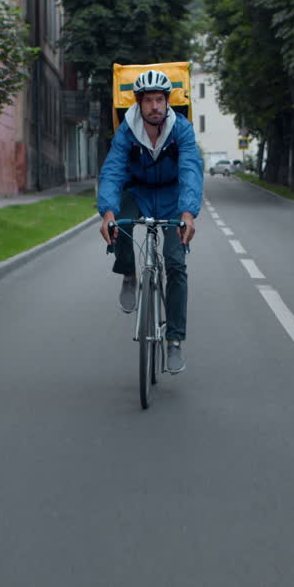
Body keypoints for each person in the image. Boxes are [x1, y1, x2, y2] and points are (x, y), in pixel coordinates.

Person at [98, 69, 204, 373]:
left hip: (172, 198)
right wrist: (107, 213)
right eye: (148, 101)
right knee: (121, 222)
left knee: (175, 263)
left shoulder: (181, 129)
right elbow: (113, 171)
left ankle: (174, 342)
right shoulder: (127, 132)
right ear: (139, 103)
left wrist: (187, 214)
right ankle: (129, 274)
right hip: (139, 192)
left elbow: (190, 171)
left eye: (160, 100)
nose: (155, 106)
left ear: (167, 102)